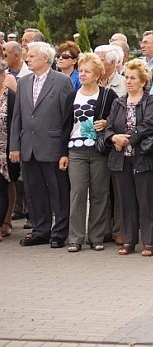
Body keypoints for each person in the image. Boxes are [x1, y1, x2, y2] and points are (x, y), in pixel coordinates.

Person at [10, 42, 73, 248]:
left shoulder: (62, 81)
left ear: (45, 58)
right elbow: (17, 116)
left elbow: (67, 119)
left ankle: (59, 233)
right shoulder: (24, 81)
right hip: (28, 145)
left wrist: (65, 150)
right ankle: (40, 230)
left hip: (53, 146)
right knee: (34, 190)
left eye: (32, 55)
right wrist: (14, 146)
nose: (28, 58)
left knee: (59, 191)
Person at [104, 60, 153, 256]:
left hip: (144, 158)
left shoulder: (151, 101)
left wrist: (127, 138)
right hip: (121, 159)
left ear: (143, 81)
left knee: (147, 201)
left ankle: (149, 242)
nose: (128, 81)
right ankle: (129, 240)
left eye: (133, 78)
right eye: (127, 77)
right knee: (126, 201)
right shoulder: (118, 102)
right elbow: (109, 127)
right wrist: (114, 137)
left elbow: (151, 124)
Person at [62, 53, 118, 252]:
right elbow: (65, 125)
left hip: (98, 150)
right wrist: (63, 153)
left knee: (99, 194)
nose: (82, 74)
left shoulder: (108, 95)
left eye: (87, 71)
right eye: (81, 71)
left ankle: (96, 236)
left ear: (97, 75)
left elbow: (118, 119)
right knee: (77, 193)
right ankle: (75, 238)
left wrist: (107, 123)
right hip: (75, 150)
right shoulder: (72, 96)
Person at [0, 63, 19, 242]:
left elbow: (15, 123)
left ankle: (2, 223)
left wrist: (14, 147)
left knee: (2, 187)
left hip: (4, 150)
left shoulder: (10, 97)